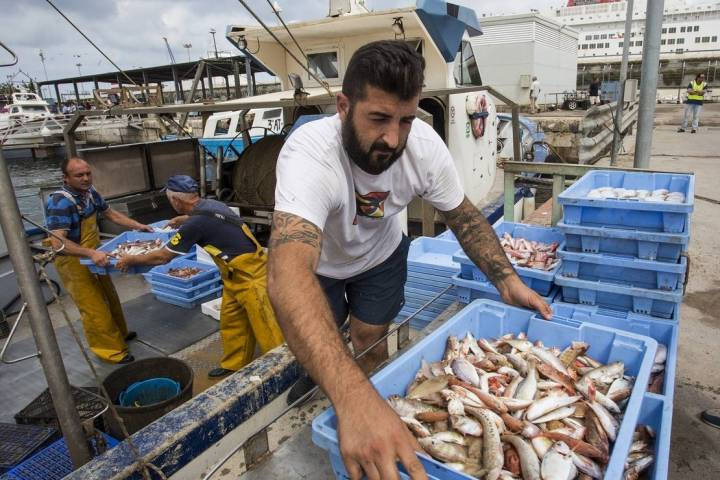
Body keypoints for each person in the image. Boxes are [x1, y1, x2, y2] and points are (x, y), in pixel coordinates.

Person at [267, 40, 553, 479]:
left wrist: (506, 279)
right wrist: (350, 397)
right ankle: (341, 392)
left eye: (406, 119)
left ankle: (369, 393)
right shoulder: (310, 153)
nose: (393, 138)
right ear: (344, 106)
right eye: (378, 118)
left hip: (381, 257)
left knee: (368, 335)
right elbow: (287, 274)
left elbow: (464, 218)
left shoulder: (423, 147)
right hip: (319, 266)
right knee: (318, 345)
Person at [116, 175, 285, 378]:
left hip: (251, 279)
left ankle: (284, 370)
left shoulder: (195, 223)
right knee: (232, 323)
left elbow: (162, 257)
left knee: (269, 330)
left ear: (176, 200)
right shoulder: (210, 204)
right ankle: (234, 364)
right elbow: (208, 219)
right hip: (234, 278)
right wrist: (184, 220)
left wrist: (130, 260)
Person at [46, 158, 154, 364]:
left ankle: (119, 334)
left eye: (88, 173)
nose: (85, 178)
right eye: (79, 175)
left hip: (96, 254)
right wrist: (89, 253)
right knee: (93, 306)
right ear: (66, 178)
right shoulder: (60, 202)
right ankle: (110, 351)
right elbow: (57, 242)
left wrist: (138, 226)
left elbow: (110, 214)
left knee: (109, 296)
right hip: (73, 261)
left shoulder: (90, 193)